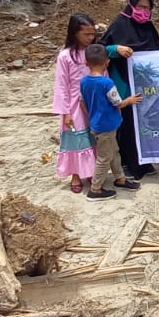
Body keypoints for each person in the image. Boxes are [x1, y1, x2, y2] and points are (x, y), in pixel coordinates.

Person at [101, 0, 159, 180]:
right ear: (131, 5)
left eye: (147, 8)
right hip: (124, 82)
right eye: (140, 6)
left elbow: (156, 52)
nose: (144, 11)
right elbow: (99, 49)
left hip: (144, 83)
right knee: (127, 123)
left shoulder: (149, 28)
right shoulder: (119, 24)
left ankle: (144, 161)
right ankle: (127, 163)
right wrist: (115, 49)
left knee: (143, 122)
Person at [79, 44, 143, 200]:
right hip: (107, 126)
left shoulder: (84, 81)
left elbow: (81, 102)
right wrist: (130, 100)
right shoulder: (107, 83)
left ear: (86, 63)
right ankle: (95, 189)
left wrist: (92, 115)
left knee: (114, 151)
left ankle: (120, 178)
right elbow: (118, 103)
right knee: (104, 157)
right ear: (107, 62)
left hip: (97, 124)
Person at [52, 13, 98, 194]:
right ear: (75, 33)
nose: (90, 38)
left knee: (92, 137)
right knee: (76, 140)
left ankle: (90, 171)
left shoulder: (94, 52)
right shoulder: (65, 56)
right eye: (86, 34)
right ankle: (76, 175)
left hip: (92, 102)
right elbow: (61, 85)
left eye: (92, 34)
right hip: (73, 105)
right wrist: (65, 112)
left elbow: (103, 74)